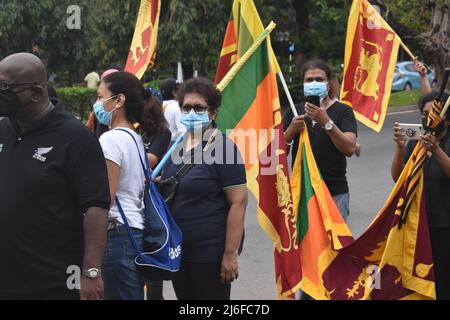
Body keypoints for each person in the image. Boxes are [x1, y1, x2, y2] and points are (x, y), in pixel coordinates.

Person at [0, 53, 110, 300]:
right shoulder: (3, 129)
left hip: (51, 283)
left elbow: (96, 207)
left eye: (5, 87)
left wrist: (91, 273)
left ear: (36, 93)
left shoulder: (76, 138)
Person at [160, 77, 247, 300]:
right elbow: (172, 182)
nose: (191, 113)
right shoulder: (176, 144)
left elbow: (238, 202)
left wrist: (230, 254)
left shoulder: (224, 149)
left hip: (209, 254)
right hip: (179, 251)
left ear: (213, 113)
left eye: (199, 108)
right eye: (186, 107)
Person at [96, 71, 163, 300]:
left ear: (119, 100)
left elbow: (106, 197)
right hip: (133, 231)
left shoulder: (111, 139)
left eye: (100, 96)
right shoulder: (134, 137)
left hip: (116, 234)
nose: (97, 104)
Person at [391, 91, 450, 300]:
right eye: (425, 113)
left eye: (435, 112)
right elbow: (398, 177)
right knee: (423, 282)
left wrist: (437, 149)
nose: (429, 117)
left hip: (445, 226)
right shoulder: (416, 141)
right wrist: (399, 148)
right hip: (420, 224)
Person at [283, 59, 358, 221]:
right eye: (309, 80)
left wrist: (326, 122)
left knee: (334, 244)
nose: (314, 83)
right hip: (303, 193)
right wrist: (290, 131)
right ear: (303, 84)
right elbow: (278, 153)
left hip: (335, 193)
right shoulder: (293, 111)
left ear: (328, 84)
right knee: (306, 245)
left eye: (319, 79)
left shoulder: (343, 111)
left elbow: (350, 148)